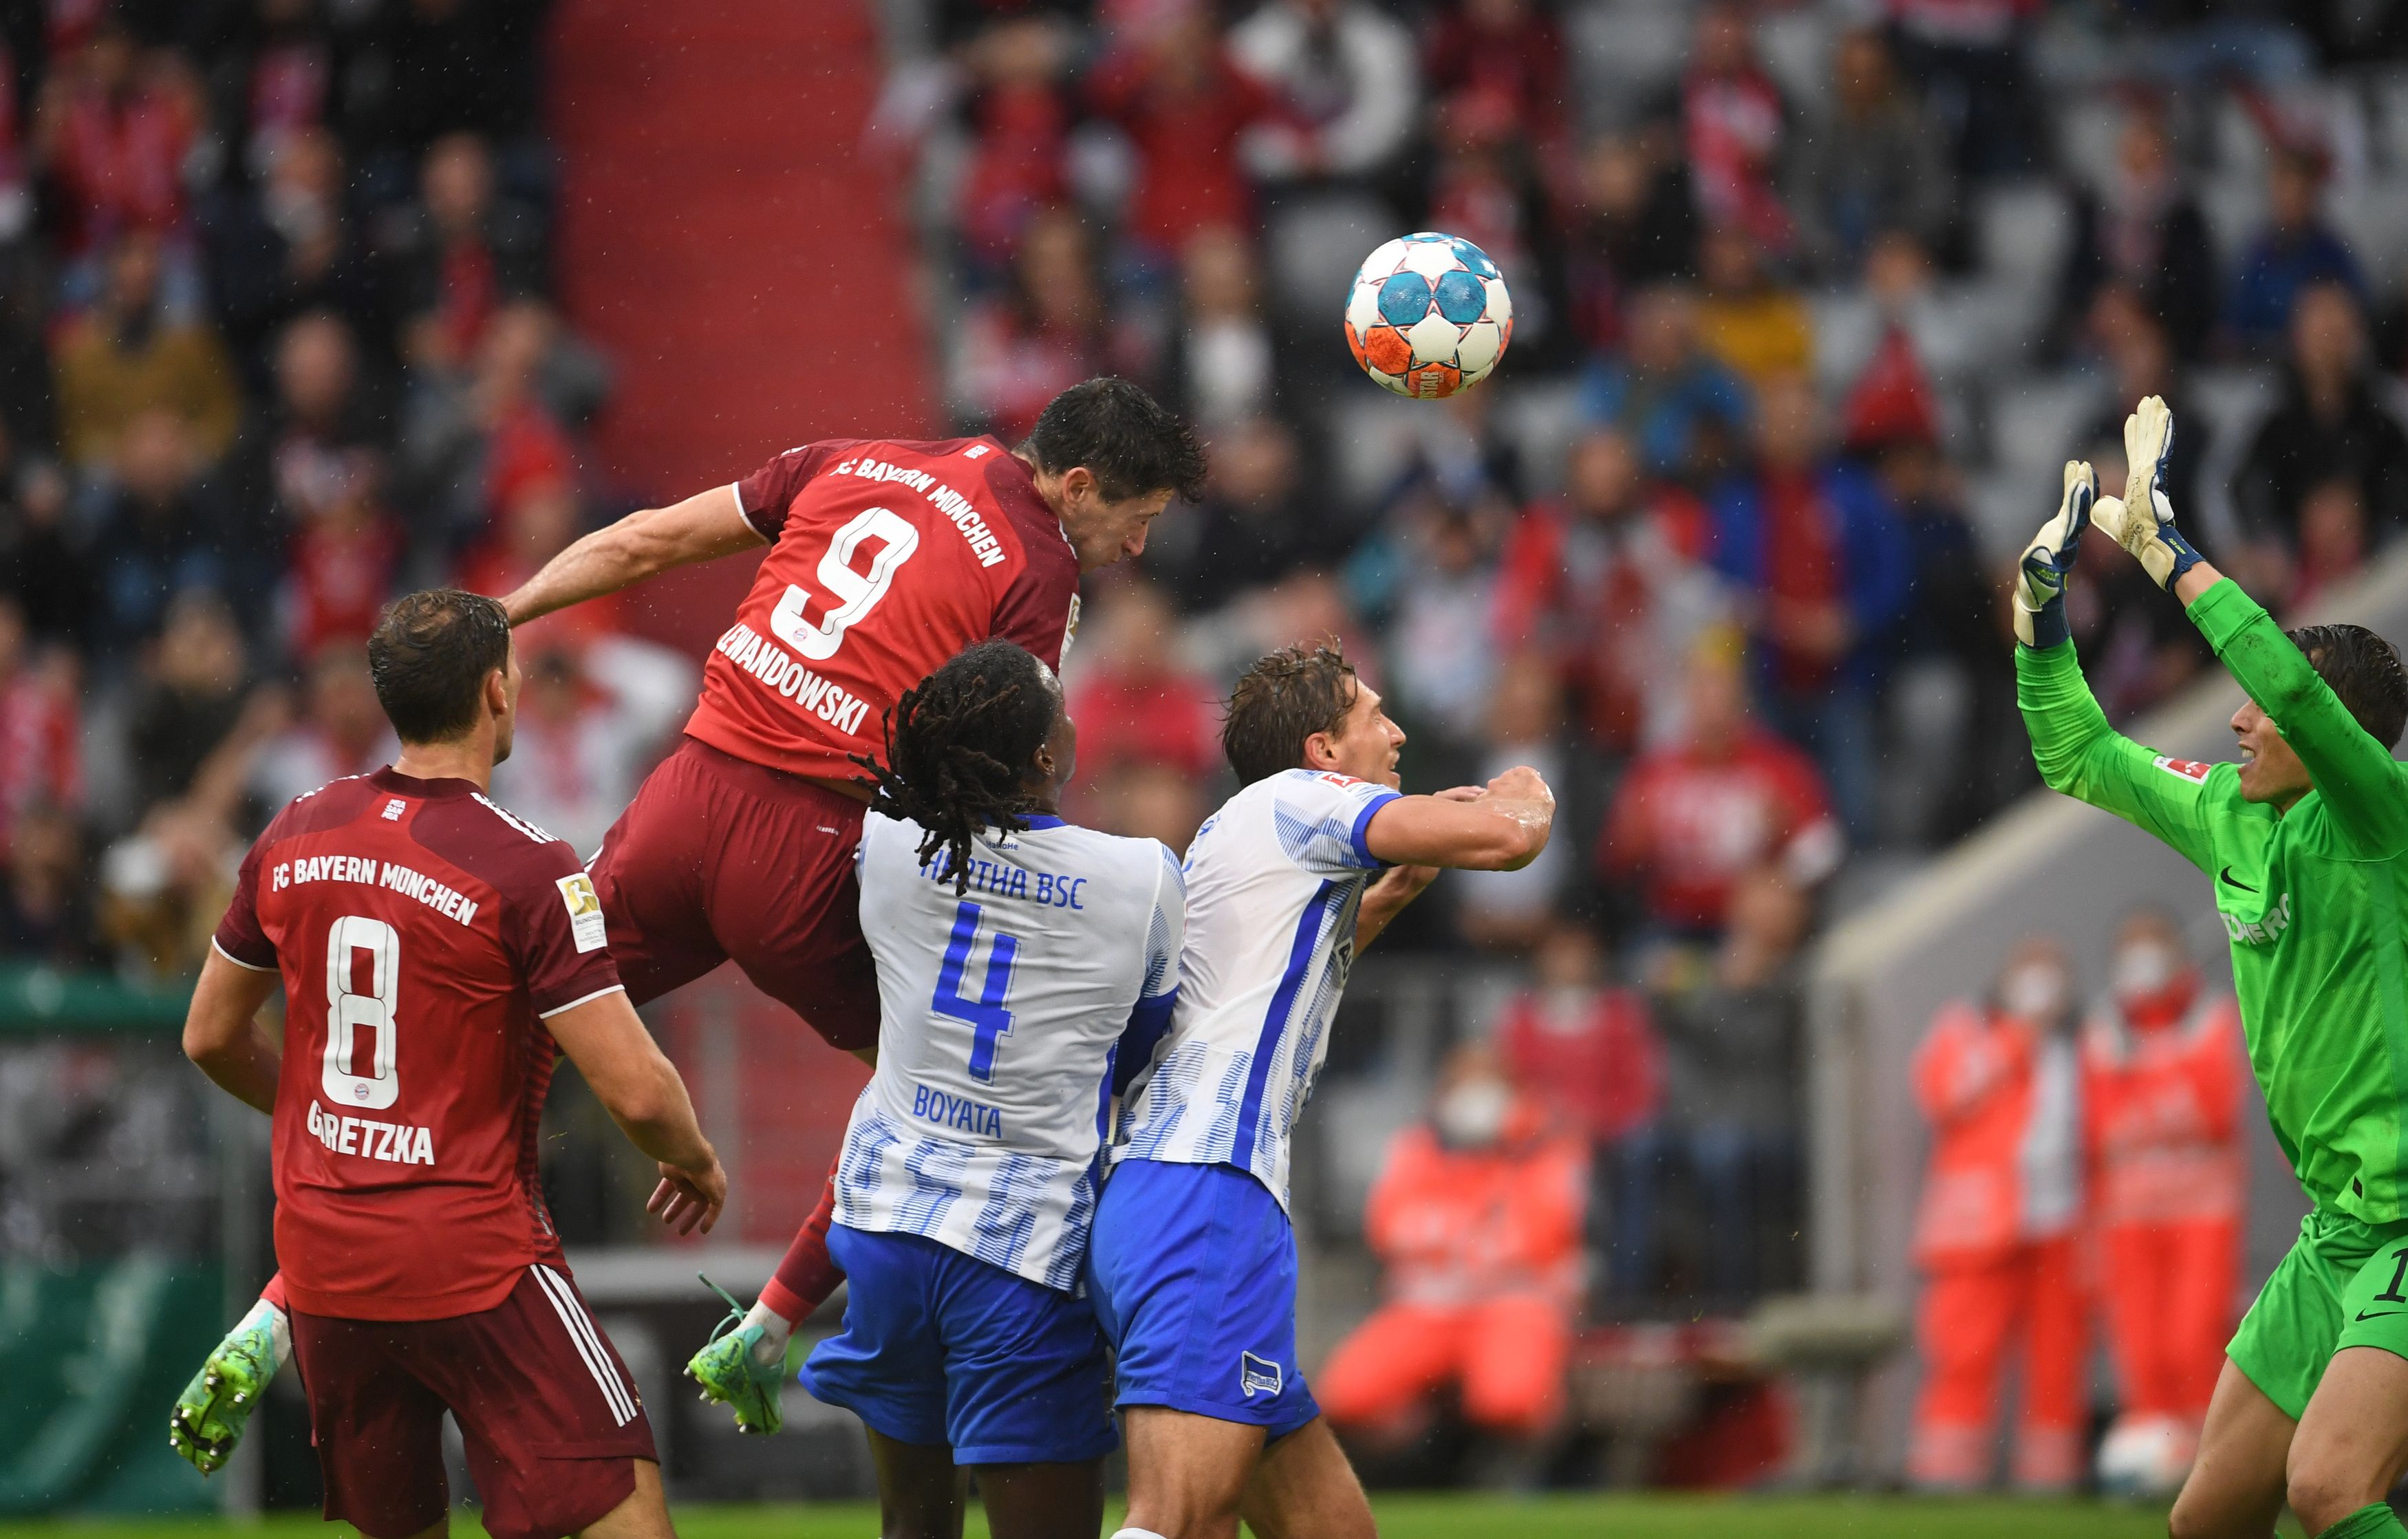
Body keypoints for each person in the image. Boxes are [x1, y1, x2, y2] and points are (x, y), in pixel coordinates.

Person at [497, 376, 1204, 1429]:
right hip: (809, 847)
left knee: (513, 1012)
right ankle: (773, 1327)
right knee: (931, 1092)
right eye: (1137, 522)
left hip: (681, 802)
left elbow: (644, 540)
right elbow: (1013, 759)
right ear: (1082, 485)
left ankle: (354, 1262)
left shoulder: (855, 458)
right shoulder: (1039, 561)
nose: (1136, 549)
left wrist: (498, 616)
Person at [168, 590, 728, 1539]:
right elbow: (635, 1090)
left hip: (322, 1261)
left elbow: (208, 1035)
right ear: (496, 691)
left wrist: (321, 1117)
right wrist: (693, 1156)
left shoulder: (296, 829)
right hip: (477, 1259)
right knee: (624, 1511)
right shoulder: (525, 864)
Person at [2015, 394, 2408, 1539]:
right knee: (2206, 1521)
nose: (2239, 721)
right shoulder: (2233, 813)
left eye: (2267, 708)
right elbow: (2077, 752)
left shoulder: (2379, 821)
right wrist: (2042, 611)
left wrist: (2166, 550)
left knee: (2331, 1486)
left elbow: (2287, 683)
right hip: (2335, 1228)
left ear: (2333, 733)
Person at [1089, 641, 1555, 1539]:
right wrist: (1527, 790)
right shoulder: (1307, 802)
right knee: (1176, 1521)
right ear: (1324, 751)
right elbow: (1508, 841)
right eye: (1375, 715)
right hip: (1208, 1195)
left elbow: (1279, 971)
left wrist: (1389, 895)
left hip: (1163, 1188)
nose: (1399, 730)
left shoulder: (1242, 826)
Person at [782, 640, 1183, 1539]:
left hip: (887, 1230)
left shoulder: (886, 844)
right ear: (1048, 757)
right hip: (1020, 1246)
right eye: (1063, 716)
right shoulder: (1141, 876)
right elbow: (1139, 1056)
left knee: (913, 1526)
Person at [1315, 1042, 1587, 1459]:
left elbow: (1544, 1236)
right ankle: (1424, 1459)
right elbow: (1387, 1228)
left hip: (1514, 1302)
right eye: (1464, 1084)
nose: (1475, 1096)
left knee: (1510, 1400)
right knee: (1344, 1396)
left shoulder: (1545, 1146)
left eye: (1487, 1084)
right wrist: (1475, 1235)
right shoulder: (1417, 1145)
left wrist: (1444, 1232)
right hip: (1427, 1304)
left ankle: (1524, 1471)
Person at [1905, 938, 2087, 1492]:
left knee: (2058, 1357)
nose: (2041, 982)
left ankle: (2050, 1479)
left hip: (2061, 1221)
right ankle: (1948, 1476)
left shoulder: (2081, 1040)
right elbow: (1943, 1092)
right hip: (1976, 1225)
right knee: (1964, 1349)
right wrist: (2018, 1034)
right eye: (2029, 969)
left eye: (2052, 971)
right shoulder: (1964, 1026)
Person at [2082, 907, 2246, 1496]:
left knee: (2195, 1335)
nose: (2141, 959)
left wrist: (2144, 1105)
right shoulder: (2105, 1025)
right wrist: (2159, 1103)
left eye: (2152, 943)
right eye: (2131, 945)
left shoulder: (2210, 1016)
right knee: (2138, 1344)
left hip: (2202, 1208)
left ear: (2177, 950)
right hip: (2127, 1212)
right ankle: (2154, 1466)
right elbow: (2100, 1125)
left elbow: (2212, 1110)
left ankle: (2212, 1465)